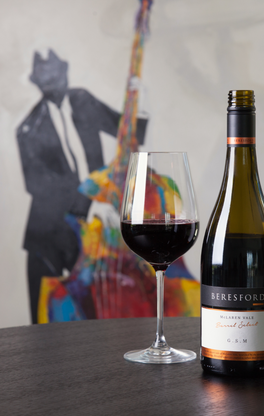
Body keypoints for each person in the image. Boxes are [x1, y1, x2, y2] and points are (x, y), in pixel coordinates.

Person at [16, 49, 147, 323]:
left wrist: (137, 99)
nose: (54, 82)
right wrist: (90, 202)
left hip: (90, 231)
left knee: (96, 315)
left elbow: (128, 133)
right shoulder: (28, 129)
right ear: (38, 84)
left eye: (56, 74)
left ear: (65, 73)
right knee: (45, 323)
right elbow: (38, 186)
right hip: (49, 238)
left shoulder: (82, 100)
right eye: (46, 78)